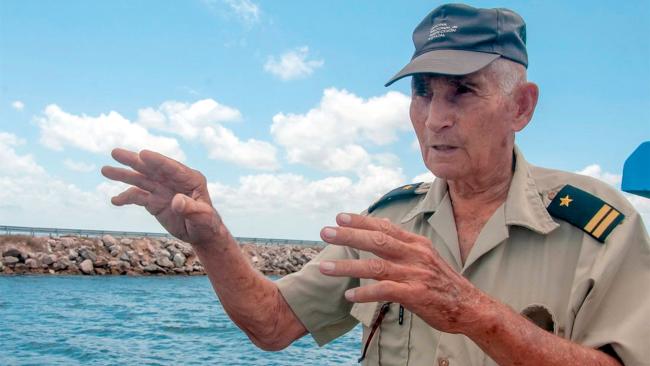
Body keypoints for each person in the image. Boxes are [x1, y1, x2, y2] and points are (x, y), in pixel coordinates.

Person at [102, 4, 650, 365]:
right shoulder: (389, 224)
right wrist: (210, 236)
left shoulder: (599, 224)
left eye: (461, 91)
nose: (436, 118)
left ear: (521, 106)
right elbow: (272, 325)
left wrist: (474, 313)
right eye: (422, 93)